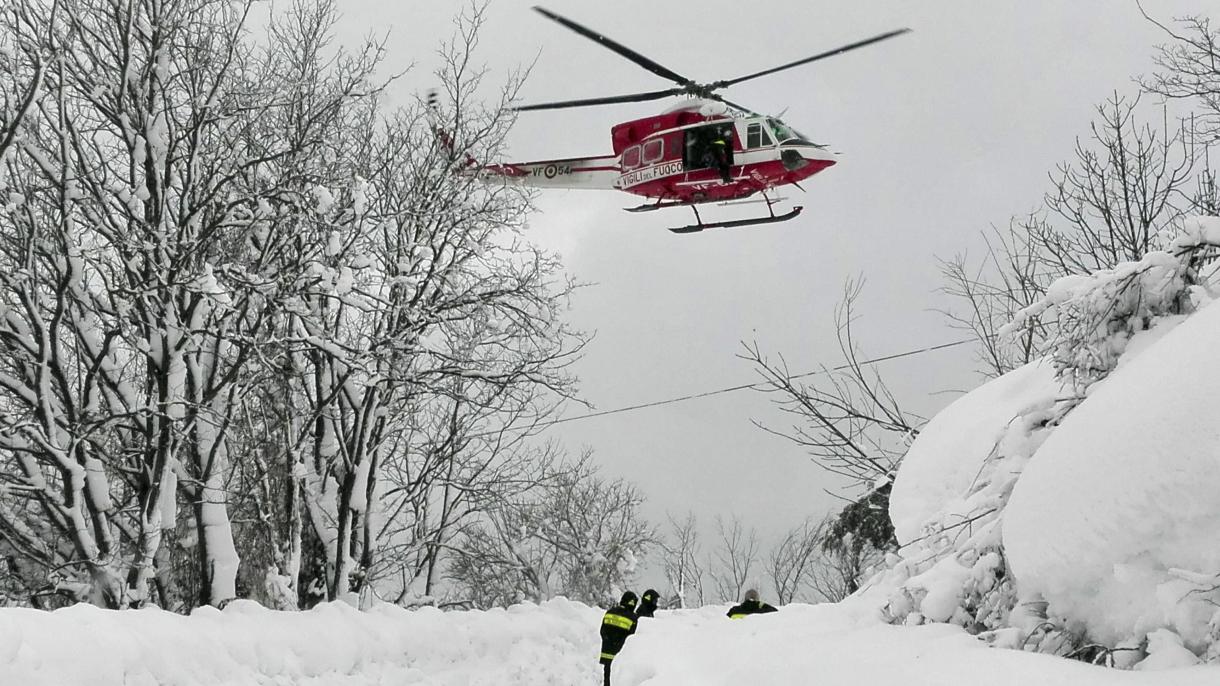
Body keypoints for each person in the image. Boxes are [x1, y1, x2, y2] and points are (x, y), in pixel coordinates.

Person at [600, 591, 639, 686]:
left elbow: (602, 630)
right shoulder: (632, 617)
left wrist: (608, 641)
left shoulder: (610, 612)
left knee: (607, 676)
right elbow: (633, 636)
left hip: (607, 651)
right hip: (621, 653)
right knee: (618, 678)